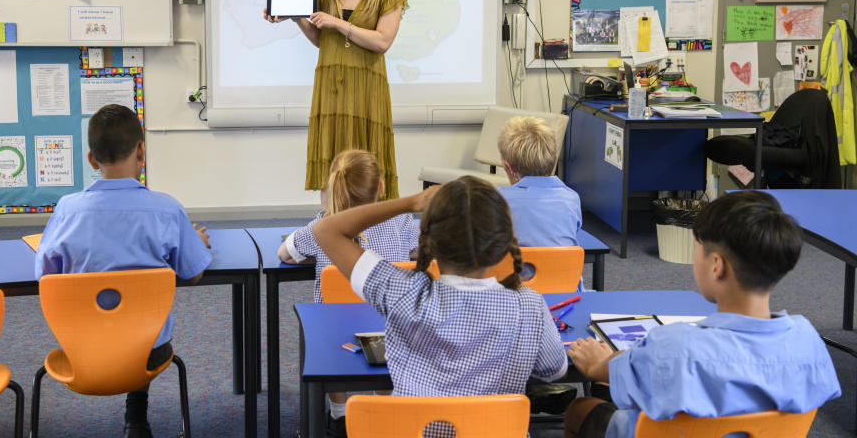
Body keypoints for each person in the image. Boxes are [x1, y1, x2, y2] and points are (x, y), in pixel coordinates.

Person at [564, 191, 841, 438]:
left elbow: (604, 370)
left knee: (581, 408)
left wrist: (600, 364)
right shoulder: (810, 342)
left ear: (716, 265)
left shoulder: (672, 347)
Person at [313, 176, 567, 436]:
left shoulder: (403, 292)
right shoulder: (529, 305)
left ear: (429, 241)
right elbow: (553, 369)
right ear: (502, 243)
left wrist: (410, 203)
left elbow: (325, 230)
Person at [35, 104, 212, 438]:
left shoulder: (66, 210)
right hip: (148, 352)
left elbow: (46, 275)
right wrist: (197, 244)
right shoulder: (167, 210)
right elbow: (194, 273)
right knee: (136, 322)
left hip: (81, 349)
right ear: (141, 150)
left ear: (91, 159)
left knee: (117, 319)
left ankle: (136, 417)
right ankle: (136, 418)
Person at [278, 149, 419, 436]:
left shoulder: (322, 228)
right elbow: (419, 254)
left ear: (332, 189)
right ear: (380, 187)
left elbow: (285, 253)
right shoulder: (403, 224)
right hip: (391, 334)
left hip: (335, 340)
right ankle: (388, 409)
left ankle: (339, 415)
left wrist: (319, 253)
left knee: (331, 323)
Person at [264, 0, 407, 198]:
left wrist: (339, 23)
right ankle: (329, 229)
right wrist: (296, 18)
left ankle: (373, 234)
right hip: (331, 90)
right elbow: (323, 41)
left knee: (368, 164)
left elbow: (382, 42)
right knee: (332, 166)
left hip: (368, 89)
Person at [497, 115, 582, 247]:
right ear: (552, 160)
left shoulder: (497, 200)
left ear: (508, 167)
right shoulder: (571, 199)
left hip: (513, 267)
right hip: (562, 267)